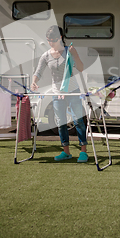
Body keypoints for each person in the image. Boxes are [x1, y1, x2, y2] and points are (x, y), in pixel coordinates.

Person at [31, 25, 88, 163]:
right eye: (48, 40)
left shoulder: (69, 51)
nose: (50, 42)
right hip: (57, 92)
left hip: (72, 91)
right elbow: (38, 72)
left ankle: (83, 152)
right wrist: (34, 82)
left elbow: (80, 68)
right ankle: (66, 152)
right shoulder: (46, 56)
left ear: (60, 38)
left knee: (78, 120)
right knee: (61, 122)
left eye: (53, 39)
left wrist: (75, 54)